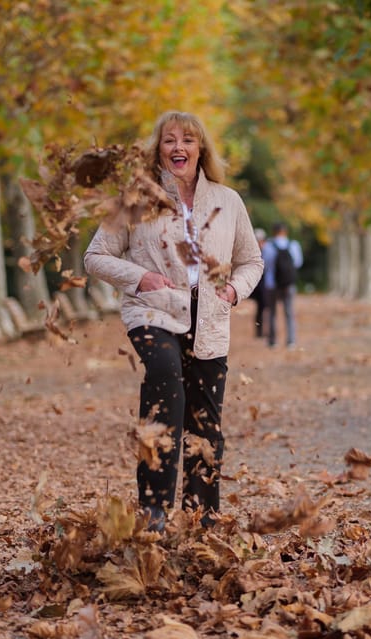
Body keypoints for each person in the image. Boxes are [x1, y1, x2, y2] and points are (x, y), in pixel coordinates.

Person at [83, 111, 264, 532]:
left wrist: (235, 290)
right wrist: (140, 276)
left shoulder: (228, 200)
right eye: (169, 140)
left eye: (188, 140)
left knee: (206, 423)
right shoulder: (136, 199)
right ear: (158, 149)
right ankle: (155, 510)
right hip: (153, 310)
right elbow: (95, 256)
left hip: (210, 318)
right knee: (165, 380)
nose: (178, 147)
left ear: (201, 150)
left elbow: (252, 261)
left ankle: (203, 519)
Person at [261, 222, 303, 349]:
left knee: (272, 312)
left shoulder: (268, 246)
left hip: (271, 283)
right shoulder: (293, 245)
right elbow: (298, 263)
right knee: (289, 311)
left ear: (273, 232)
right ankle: (291, 341)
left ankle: (273, 341)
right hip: (288, 283)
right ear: (286, 231)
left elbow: (264, 264)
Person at [252, 228, 268, 337]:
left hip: (262, 283)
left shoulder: (265, 250)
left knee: (262, 308)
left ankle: (261, 331)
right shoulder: (258, 252)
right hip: (260, 285)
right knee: (261, 308)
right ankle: (259, 331)